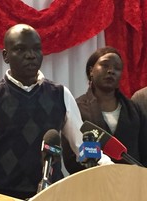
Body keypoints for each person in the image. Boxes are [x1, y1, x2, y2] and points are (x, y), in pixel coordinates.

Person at [0, 24, 106, 200]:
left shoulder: (61, 95)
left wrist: (112, 171)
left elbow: (83, 147)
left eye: (36, 49)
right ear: (5, 56)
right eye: (21, 49)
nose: (31, 55)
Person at [62, 46, 147, 174]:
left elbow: (144, 152)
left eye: (117, 68)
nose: (111, 71)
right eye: (105, 65)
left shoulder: (134, 109)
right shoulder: (77, 108)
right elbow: (70, 158)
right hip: (91, 184)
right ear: (91, 71)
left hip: (130, 185)